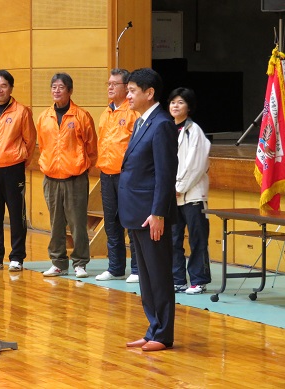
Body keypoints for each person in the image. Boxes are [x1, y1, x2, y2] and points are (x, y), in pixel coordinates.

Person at [118, 68, 178, 352]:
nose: (127, 95)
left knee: (159, 275)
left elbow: (165, 174)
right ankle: (152, 327)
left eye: (131, 91)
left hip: (151, 214)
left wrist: (159, 213)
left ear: (149, 93)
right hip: (135, 211)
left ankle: (164, 334)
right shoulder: (142, 122)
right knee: (145, 276)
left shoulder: (162, 123)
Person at [36, 73, 98, 278]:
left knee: (77, 222)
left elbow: (91, 147)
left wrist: (81, 166)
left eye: (61, 87)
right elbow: (43, 145)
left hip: (75, 177)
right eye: (53, 87)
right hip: (51, 178)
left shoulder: (81, 116)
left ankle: (80, 262)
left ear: (70, 91)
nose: (56, 90)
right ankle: (58, 262)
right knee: (55, 222)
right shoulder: (44, 117)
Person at [0, 70, 37, 272]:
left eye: (3, 86)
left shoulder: (22, 111)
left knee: (16, 214)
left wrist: (18, 158)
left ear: (11, 88)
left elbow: (30, 140)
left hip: (13, 169)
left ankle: (17, 257)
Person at [95, 68, 140, 283]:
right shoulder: (106, 113)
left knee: (131, 222)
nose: (110, 87)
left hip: (126, 176)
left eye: (115, 84)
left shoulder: (133, 113)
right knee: (111, 223)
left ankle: (138, 269)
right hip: (106, 173)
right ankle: (115, 267)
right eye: (108, 84)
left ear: (126, 87)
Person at [168, 87, 212, 294]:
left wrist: (179, 187)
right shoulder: (166, 128)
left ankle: (199, 280)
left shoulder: (195, 132)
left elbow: (196, 165)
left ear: (189, 107)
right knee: (173, 239)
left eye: (180, 102)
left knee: (197, 238)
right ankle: (177, 279)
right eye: (173, 102)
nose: (175, 106)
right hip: (171, 196)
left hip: (193, 195)